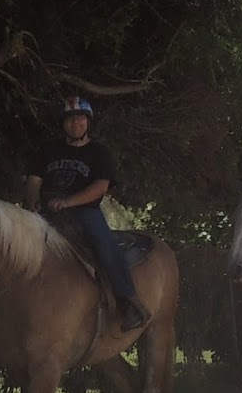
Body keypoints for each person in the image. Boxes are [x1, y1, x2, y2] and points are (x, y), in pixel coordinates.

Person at [24, 96, 150, 332]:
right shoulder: (48, 150)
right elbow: (33, 181)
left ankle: (128, 301)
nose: (76, 124)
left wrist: (68, 202)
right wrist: (32, 203)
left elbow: (100, 187)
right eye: (71, 120)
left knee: (104, 244)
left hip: (84, 211)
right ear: (63, 124)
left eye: (81, 119)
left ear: (88, 123)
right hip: (47, 210)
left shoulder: (99, 153)